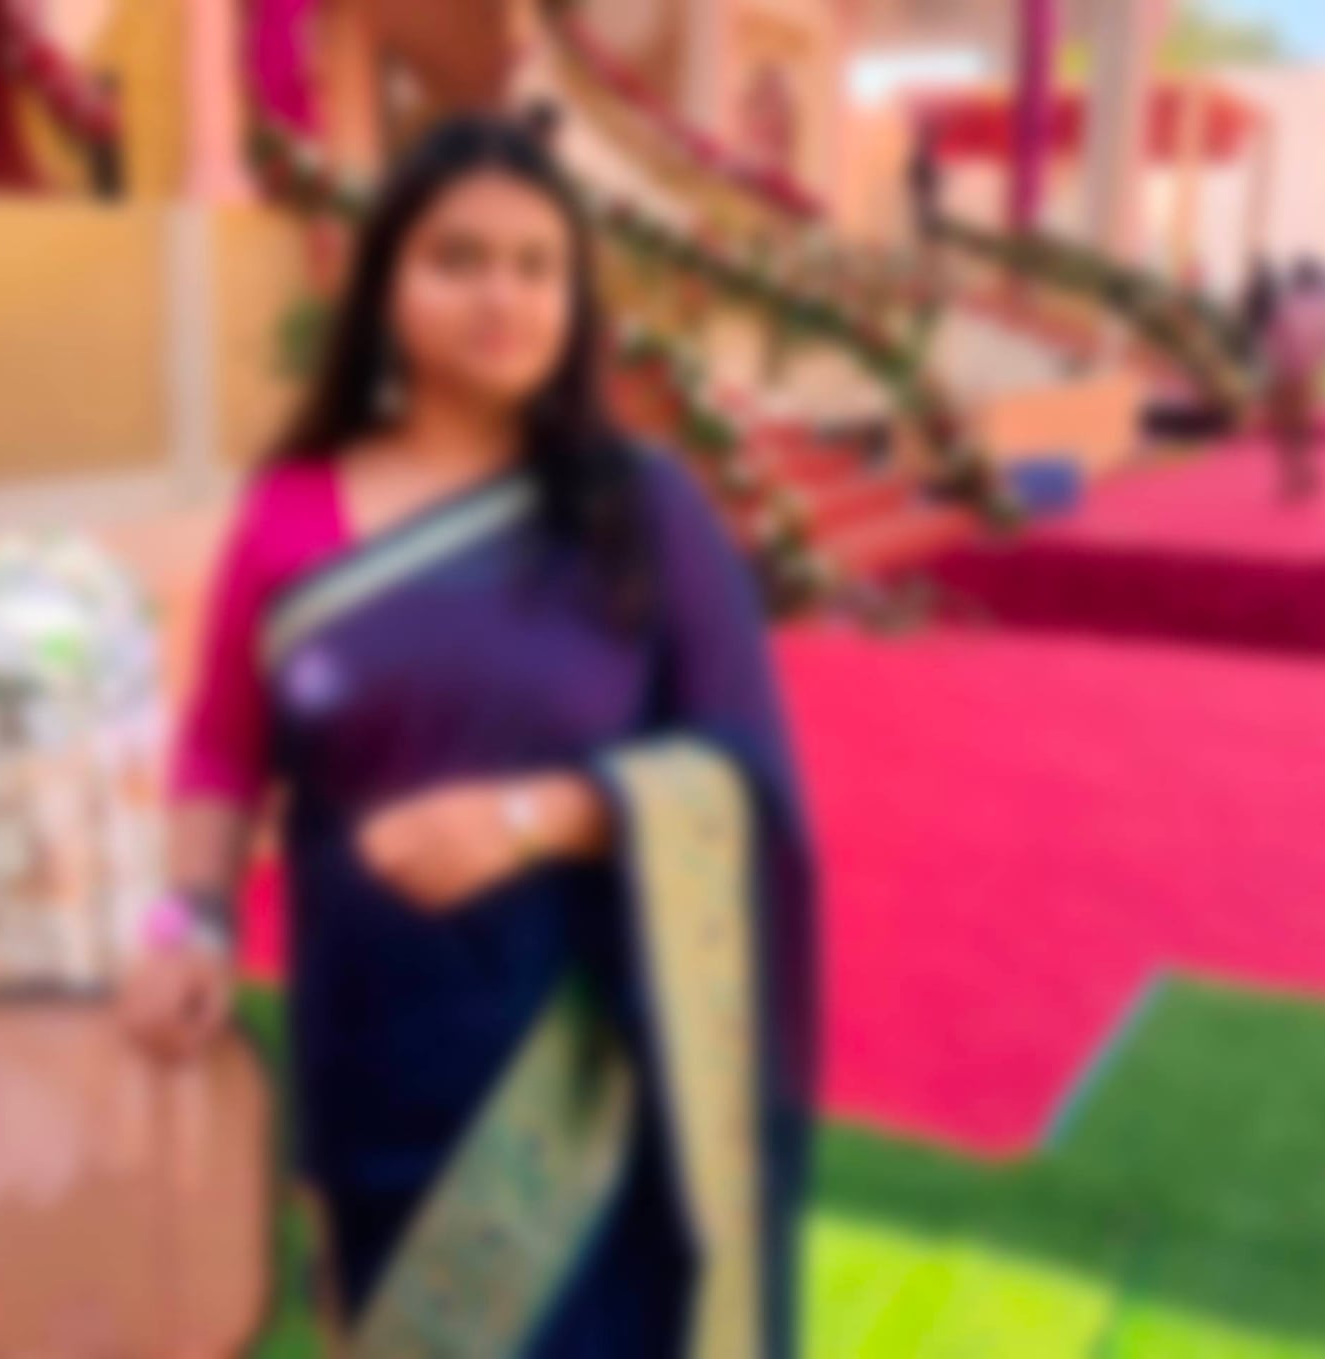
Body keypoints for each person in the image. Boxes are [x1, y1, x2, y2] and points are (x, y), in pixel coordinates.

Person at [118, 116, 818, 1358]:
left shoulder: (643, 508)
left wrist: (537, 817)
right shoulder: (291, 509)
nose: (503, 296)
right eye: (458, 260)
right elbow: (223, 747)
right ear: (387, 285)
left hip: (587, 1073)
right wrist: (196, 921)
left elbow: (743, 776)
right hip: (369, 1043)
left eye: (537, 266)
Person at [1262, 256, 1325, 502]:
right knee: (1302, 425)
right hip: (1309, 372)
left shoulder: (1287, 304)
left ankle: (1295, 475)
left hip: (1286, 371)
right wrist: (1317, 359)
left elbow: (1273, 338)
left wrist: (1279, 360)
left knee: (1287, 427)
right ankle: (1305, 472)